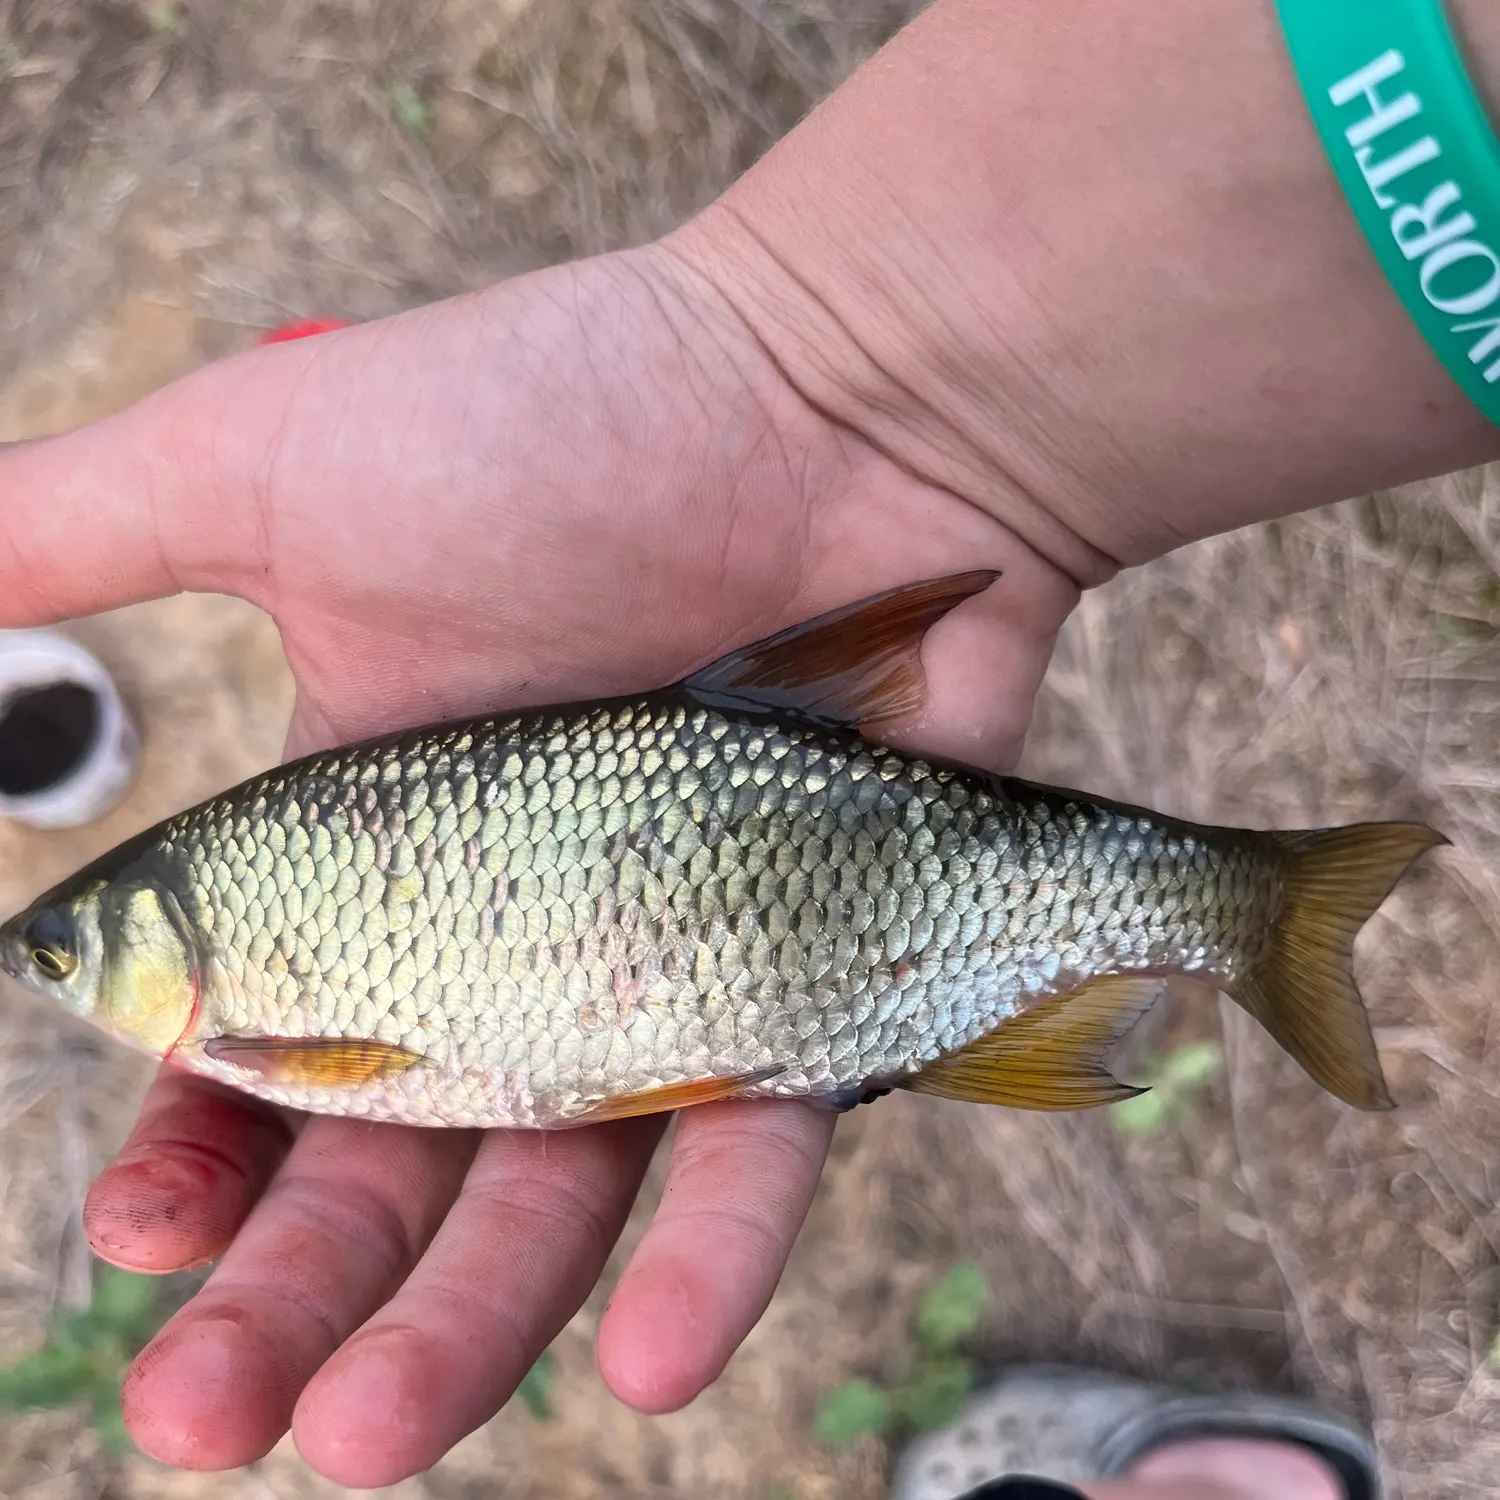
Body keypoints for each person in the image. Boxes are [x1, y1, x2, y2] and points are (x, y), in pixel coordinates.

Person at [0, 0, 1493, 1493]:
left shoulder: (260, 1024)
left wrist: (813, 371)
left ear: (160, 940)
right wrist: (822, 368)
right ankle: (1251, 906)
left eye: (66, 952)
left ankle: (1257, 905)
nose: (58, 969)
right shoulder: (251, 967)